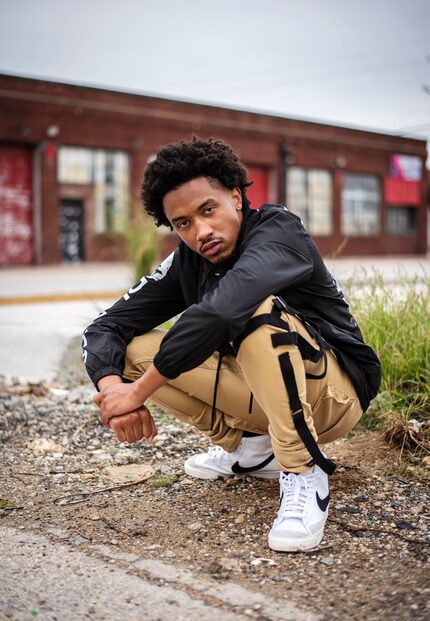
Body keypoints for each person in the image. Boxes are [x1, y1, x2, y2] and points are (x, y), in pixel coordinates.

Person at [83, 137, 381, 552]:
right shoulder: (188, 259)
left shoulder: (279, 230)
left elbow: (223, 312)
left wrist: (138, 392)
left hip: (335, 394)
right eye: (183, 223)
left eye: (208, 210)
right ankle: (252, 451)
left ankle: (302, 471)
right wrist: (113, 390)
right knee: (131, 349)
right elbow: (104, 327)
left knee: (254, 313)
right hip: (263, 394)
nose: (200, 231)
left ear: (236, 198)